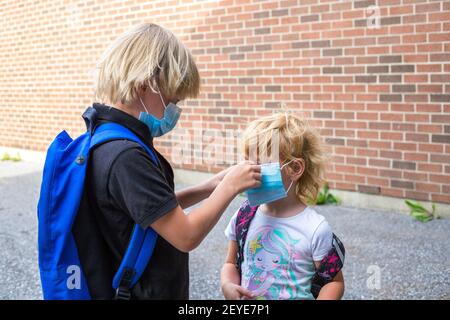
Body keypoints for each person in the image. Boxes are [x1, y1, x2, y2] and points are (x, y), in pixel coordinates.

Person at [73, 23, 261, 299]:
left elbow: (150, 210)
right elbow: (186, 235)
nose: (175, 111)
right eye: (172, 99)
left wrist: (209, 186)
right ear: (145, 84)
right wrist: (228, 188)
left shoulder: (107, 136)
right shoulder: (126, 156)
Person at [220, 113, 345, 300]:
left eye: (259, 164)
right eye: (247, 162)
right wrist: (227, 285)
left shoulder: (316, 228)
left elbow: (334, 282)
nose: (247, 171)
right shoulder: (244, 216)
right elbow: (231, 263)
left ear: (295, 169)